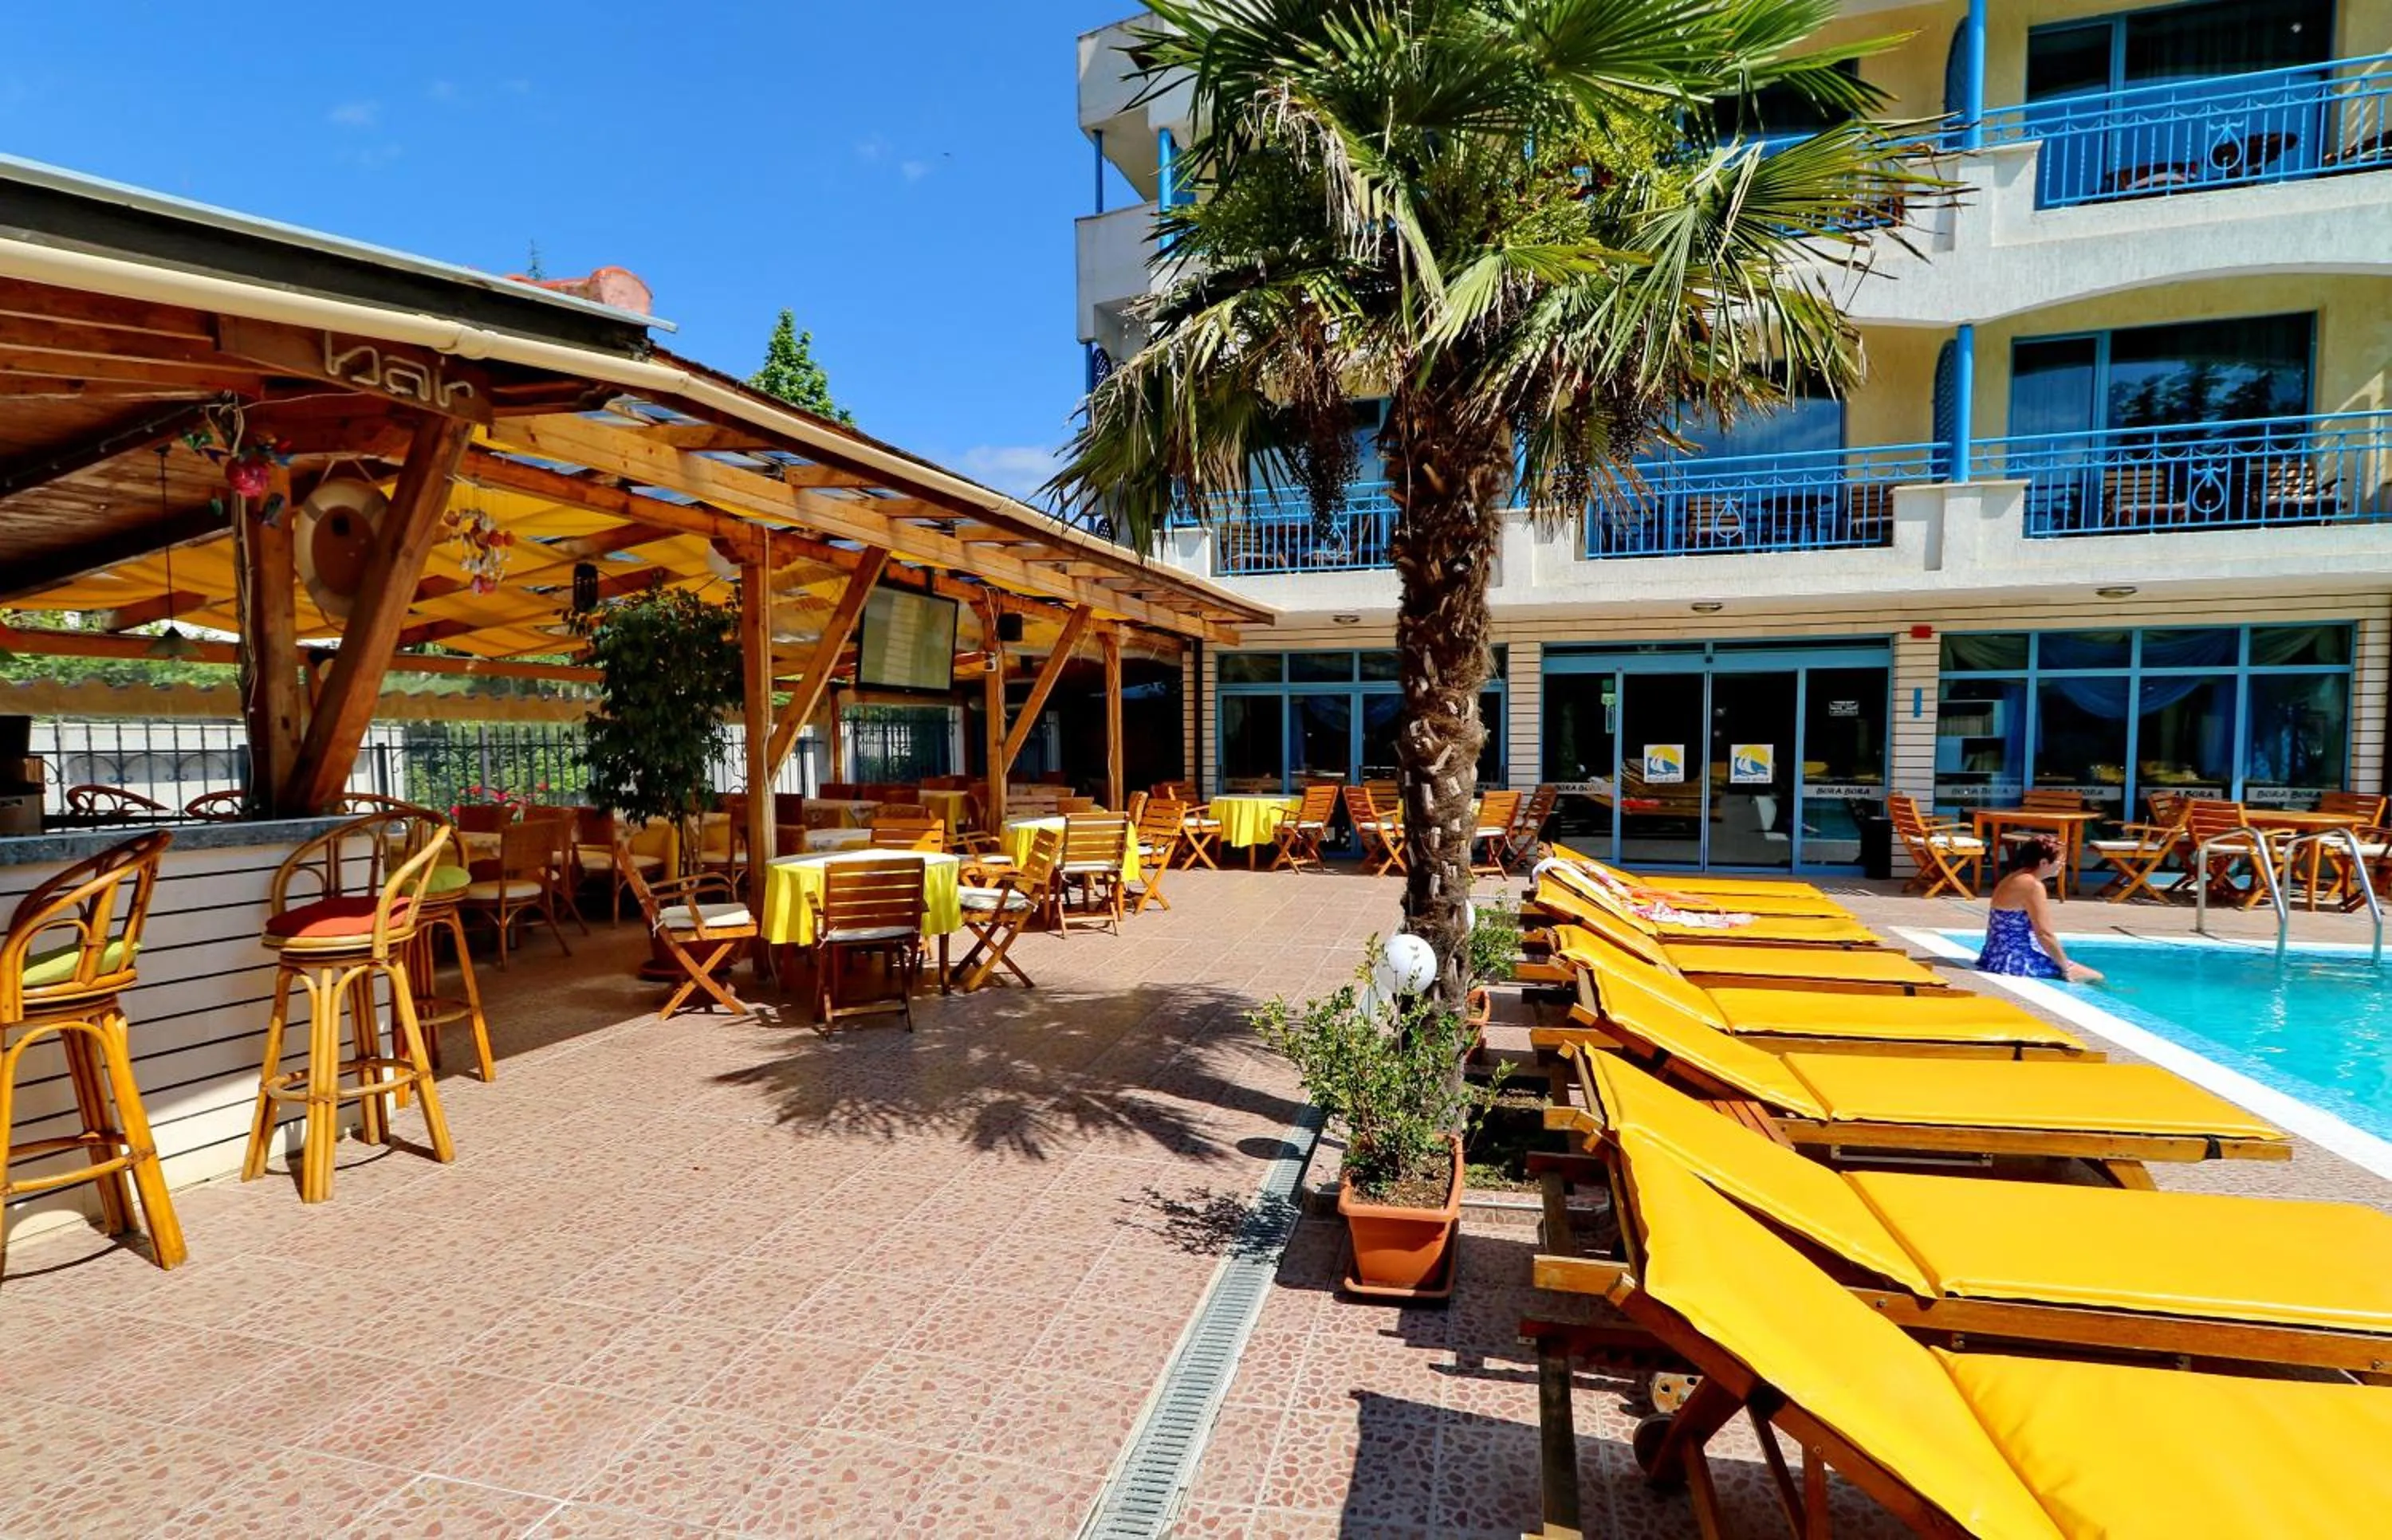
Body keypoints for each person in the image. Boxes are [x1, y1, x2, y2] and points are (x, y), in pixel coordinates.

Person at [1977, 834, 2103, 983]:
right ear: (2044, 862)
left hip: (1994, 955)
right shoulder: (2032, 886)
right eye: (2060, 861)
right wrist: (2066, 967)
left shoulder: (2013, 877)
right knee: (2096, 978)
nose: (2063, 865)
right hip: (2016, 961)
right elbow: (2044, 934)